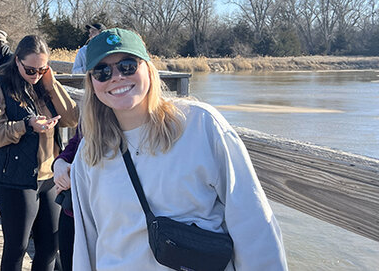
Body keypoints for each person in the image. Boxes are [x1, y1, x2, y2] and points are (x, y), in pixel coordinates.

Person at [71, 28, 287, 270]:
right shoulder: (89, 154)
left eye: (128, 65)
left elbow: (252, 222)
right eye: (102, 71)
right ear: (91, 83)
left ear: (148, 69)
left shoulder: (201, 126)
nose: (117, 77)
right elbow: (87, 242)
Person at [0, 35, 79, 271]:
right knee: (17, 248)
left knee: (49, 247)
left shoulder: (44, 85)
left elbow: (72, 118)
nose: (35, 76)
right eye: (30, 70)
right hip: (15, 179)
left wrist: (52, 83)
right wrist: (25, 125)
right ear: (17, 61)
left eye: (41, 69)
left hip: (50, 177)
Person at [52, 128, 82, 271]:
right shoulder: (92, 110)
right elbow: (76, 142)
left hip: (106, 217)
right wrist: (60, 162)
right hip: (72, 210)